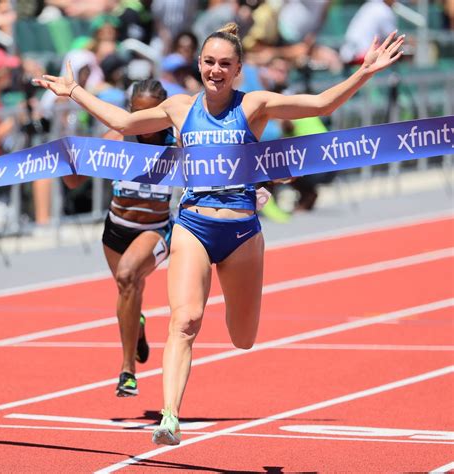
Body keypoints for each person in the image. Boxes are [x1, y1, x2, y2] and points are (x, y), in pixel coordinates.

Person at [34, 23, 404, 446]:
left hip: (242, 232)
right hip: (193, 224)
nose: (215, 70)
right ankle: (170, 416)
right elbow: (123, 120)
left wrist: (364, 72)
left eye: (225, 64)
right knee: (184, 320)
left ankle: (190, 386)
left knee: (242, 337)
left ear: (238, 69)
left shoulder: (255, 105)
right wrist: (73, 92)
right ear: (199, 65)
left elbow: (320, 102)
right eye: (209, 62)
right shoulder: (178, 108)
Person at [62, 79, 175, 397]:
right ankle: (135, 323)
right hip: (115, 231)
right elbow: (73, 182)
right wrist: (66, 157)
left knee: (127, 276)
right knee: (128, 289)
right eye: (138, 113)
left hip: (155, 231)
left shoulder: (177, 143)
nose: (145, 122)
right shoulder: (116, 138)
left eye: (152, 113)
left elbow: (217, 168)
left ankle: (127, 371)